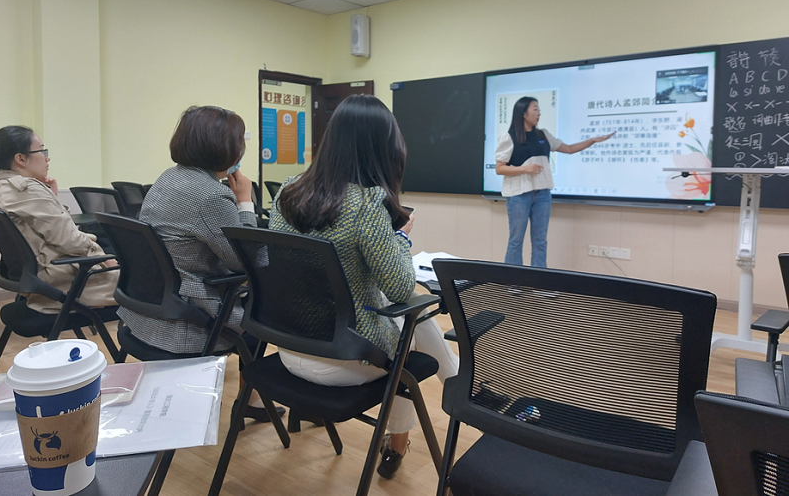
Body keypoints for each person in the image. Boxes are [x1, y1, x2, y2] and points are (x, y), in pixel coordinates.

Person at [269, 94, 459, 480]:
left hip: (289, 347)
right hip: (344, 360)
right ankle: (459, 393)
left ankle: (459, 388)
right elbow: (401, 286)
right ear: (385, 148)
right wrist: (401, 237)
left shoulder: (287, 191)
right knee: (414, 313)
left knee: (411, 317)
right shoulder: (367, 204)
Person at [116, 105, 280, 423]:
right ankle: (250, 399)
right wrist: (245, 202)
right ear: (225, 148)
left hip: (148, 312)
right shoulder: (210, 196)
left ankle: (253, 401)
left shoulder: (169, 178)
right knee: (262, 319)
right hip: (188, 320)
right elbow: (247, 262)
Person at [0, 126, 118, 311]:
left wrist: (52, 197)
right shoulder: (27, 189)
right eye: (42, 151)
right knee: (145, 284)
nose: (47, 158)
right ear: (20, 159)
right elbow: (71, 242)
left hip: (36, 278)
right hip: (64, 282)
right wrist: (104, 259)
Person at [495, 97, 615, 268]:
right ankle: (513, 279)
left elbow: (569, 149)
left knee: (540, 240)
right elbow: (500, 168)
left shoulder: (542, 135)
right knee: (516, 240)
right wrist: (524, 169)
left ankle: (539, 279)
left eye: (539, 109)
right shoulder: (509, 137)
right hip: (519, 195)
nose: (539, 113)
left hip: (542, 194)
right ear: (523, 113)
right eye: (535, 109)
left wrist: (591, 141)